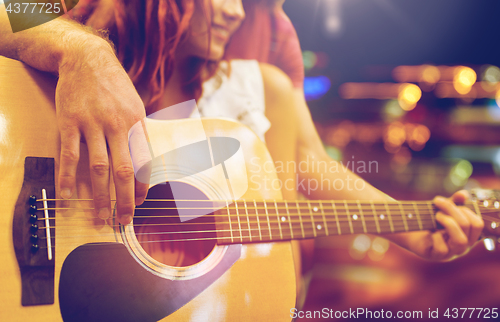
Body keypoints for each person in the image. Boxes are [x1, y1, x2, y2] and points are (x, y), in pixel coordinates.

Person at [0, 0, 483, 293]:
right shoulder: (76, 12)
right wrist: (83, 49)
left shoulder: (258, 88)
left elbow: (312, 167)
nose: (236, 12)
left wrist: (417, 232)